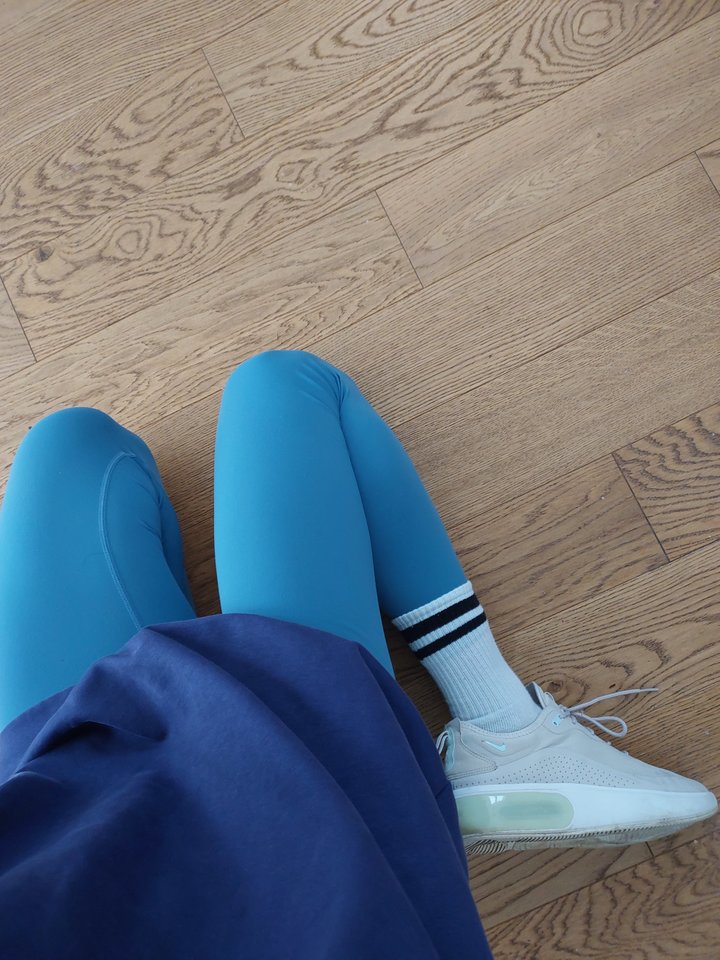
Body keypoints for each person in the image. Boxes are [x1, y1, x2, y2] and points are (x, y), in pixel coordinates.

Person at [0, 349, 715, 958]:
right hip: (305, 809)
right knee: (286, 383)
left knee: (71, 443)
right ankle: (506, 728)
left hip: (73, 788)